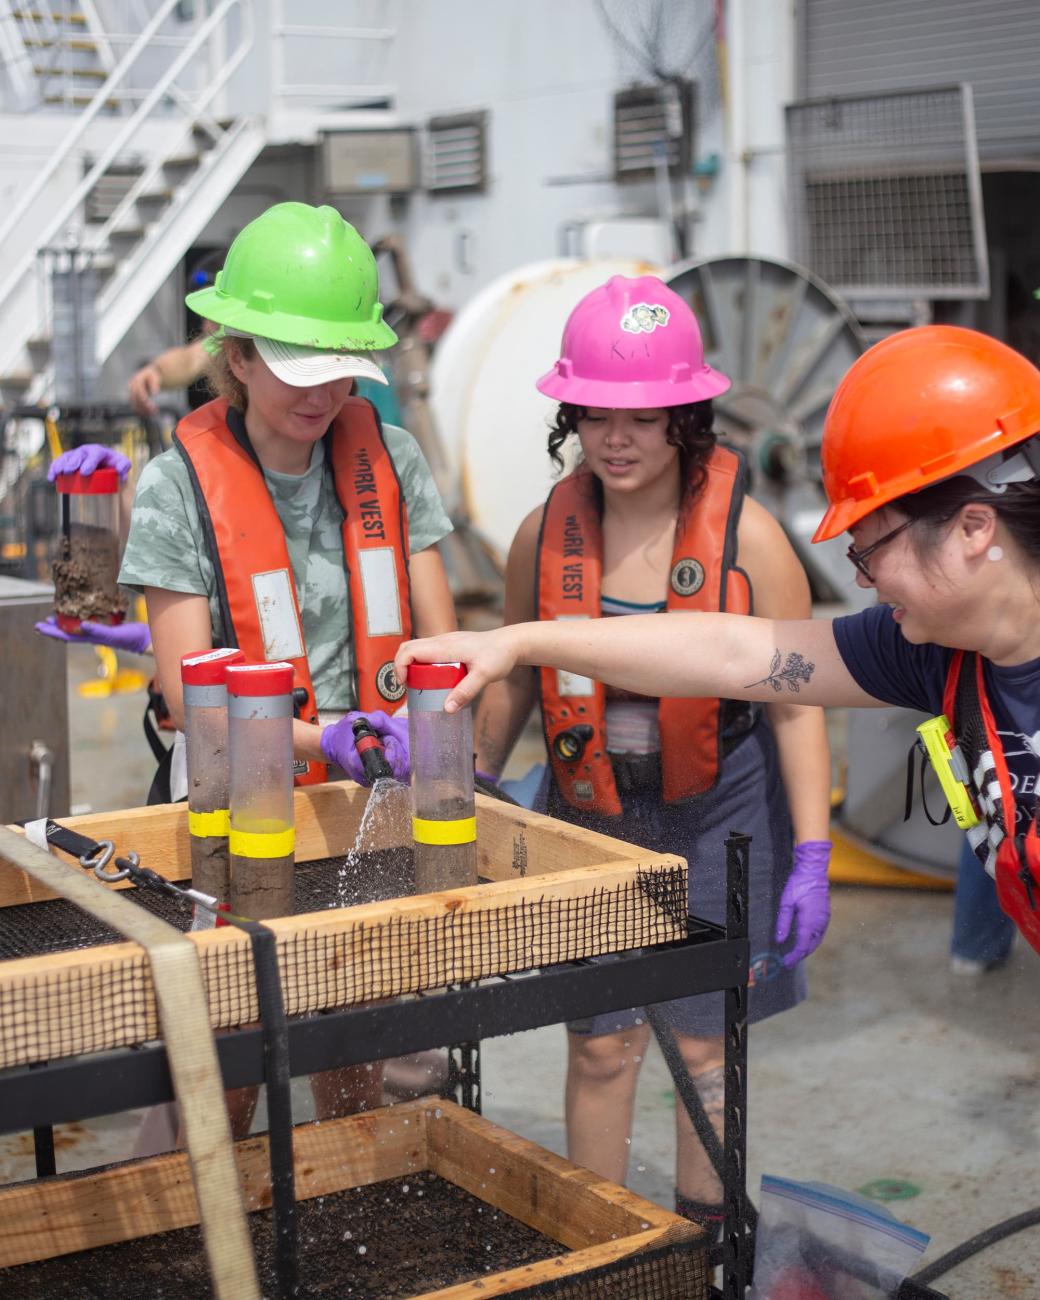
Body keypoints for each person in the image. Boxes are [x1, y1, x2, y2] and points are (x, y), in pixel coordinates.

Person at [395, 325, 1040, 974]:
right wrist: (517, 642)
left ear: (974, 529)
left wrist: (810, 857)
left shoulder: (917, 633)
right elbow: (731, 652)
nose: (865, 581)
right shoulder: (926, 650)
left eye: (871, 550)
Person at [53, 202, 457, 1132]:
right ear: (235, 356)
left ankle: (340, 1201)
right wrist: (331, 737)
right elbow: (191, 695)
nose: (321, 397)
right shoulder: (176, 485)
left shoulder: (389, 459)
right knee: (226, 1055)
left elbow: (443, 644)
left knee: (349, 1042)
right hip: (233, 805)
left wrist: (435, 727)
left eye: (340, 371)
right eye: (294, 368)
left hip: (372, 800)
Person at [468, 275, 833, 1233]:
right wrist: (467, 782)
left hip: (717, 814)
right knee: (601, 1047)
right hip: (588, 816)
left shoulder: (750, 538)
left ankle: (706, 1239)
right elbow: (512, 673)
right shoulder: (541, 534)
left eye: (642, 417)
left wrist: (813, 852)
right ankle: (603, 1244)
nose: (616, 439)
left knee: (704, 1051)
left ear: (686, 416)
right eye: (594, 415)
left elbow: (797, 705)